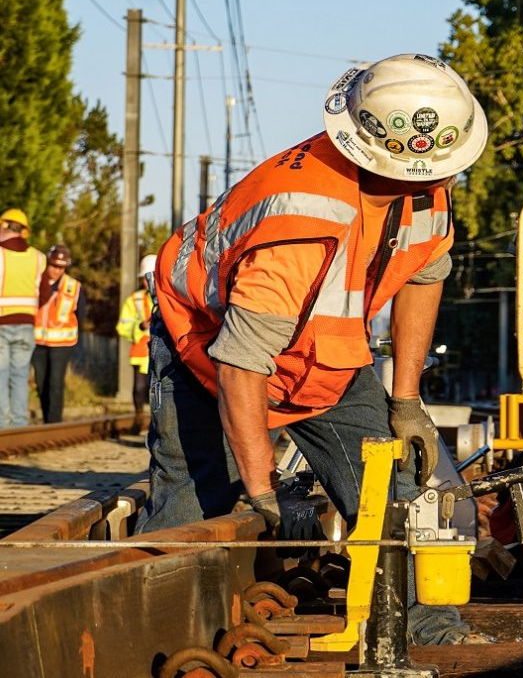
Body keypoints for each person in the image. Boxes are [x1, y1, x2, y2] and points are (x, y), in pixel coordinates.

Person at [135, 53, 488, 645]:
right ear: (389, 163)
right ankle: (156, 632)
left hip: (327, 359)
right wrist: (262, 491)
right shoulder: (300, 221)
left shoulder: (427, 189)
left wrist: (406, 401)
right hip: (208, 350)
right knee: (192, 517)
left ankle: (423, 627)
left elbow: (426, 272)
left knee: (391, 494)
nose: (449, 177)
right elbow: (241, 363)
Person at [0, 208, 46, 427]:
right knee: (19, 375)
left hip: (1, 323)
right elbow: (44, 293)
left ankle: (2, 424)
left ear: (5, 226)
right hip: (27, 324)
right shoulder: (38, 257)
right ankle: (19, 425)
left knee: (1, 374)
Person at [33, 245, 83, 423]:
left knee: (55, 384)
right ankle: (47, 419)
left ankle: (53, 423)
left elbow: (81, 315)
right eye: (54, 266)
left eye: (61, 267)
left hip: (62, 344)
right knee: (41, 384)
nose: (56, 270)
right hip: (38, 342)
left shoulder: (73, 286)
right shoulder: (36, 283)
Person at [116, 254, 156, 433]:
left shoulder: (169, 296)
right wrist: (139, 327)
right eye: (144, 278)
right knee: (139, 389)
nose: (148, 282)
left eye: (150, 277)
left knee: (157, 391)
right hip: (141, 353)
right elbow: (122, 326)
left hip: (162, 354)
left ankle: (157, 422)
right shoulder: (134, 300)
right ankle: (139, 418)